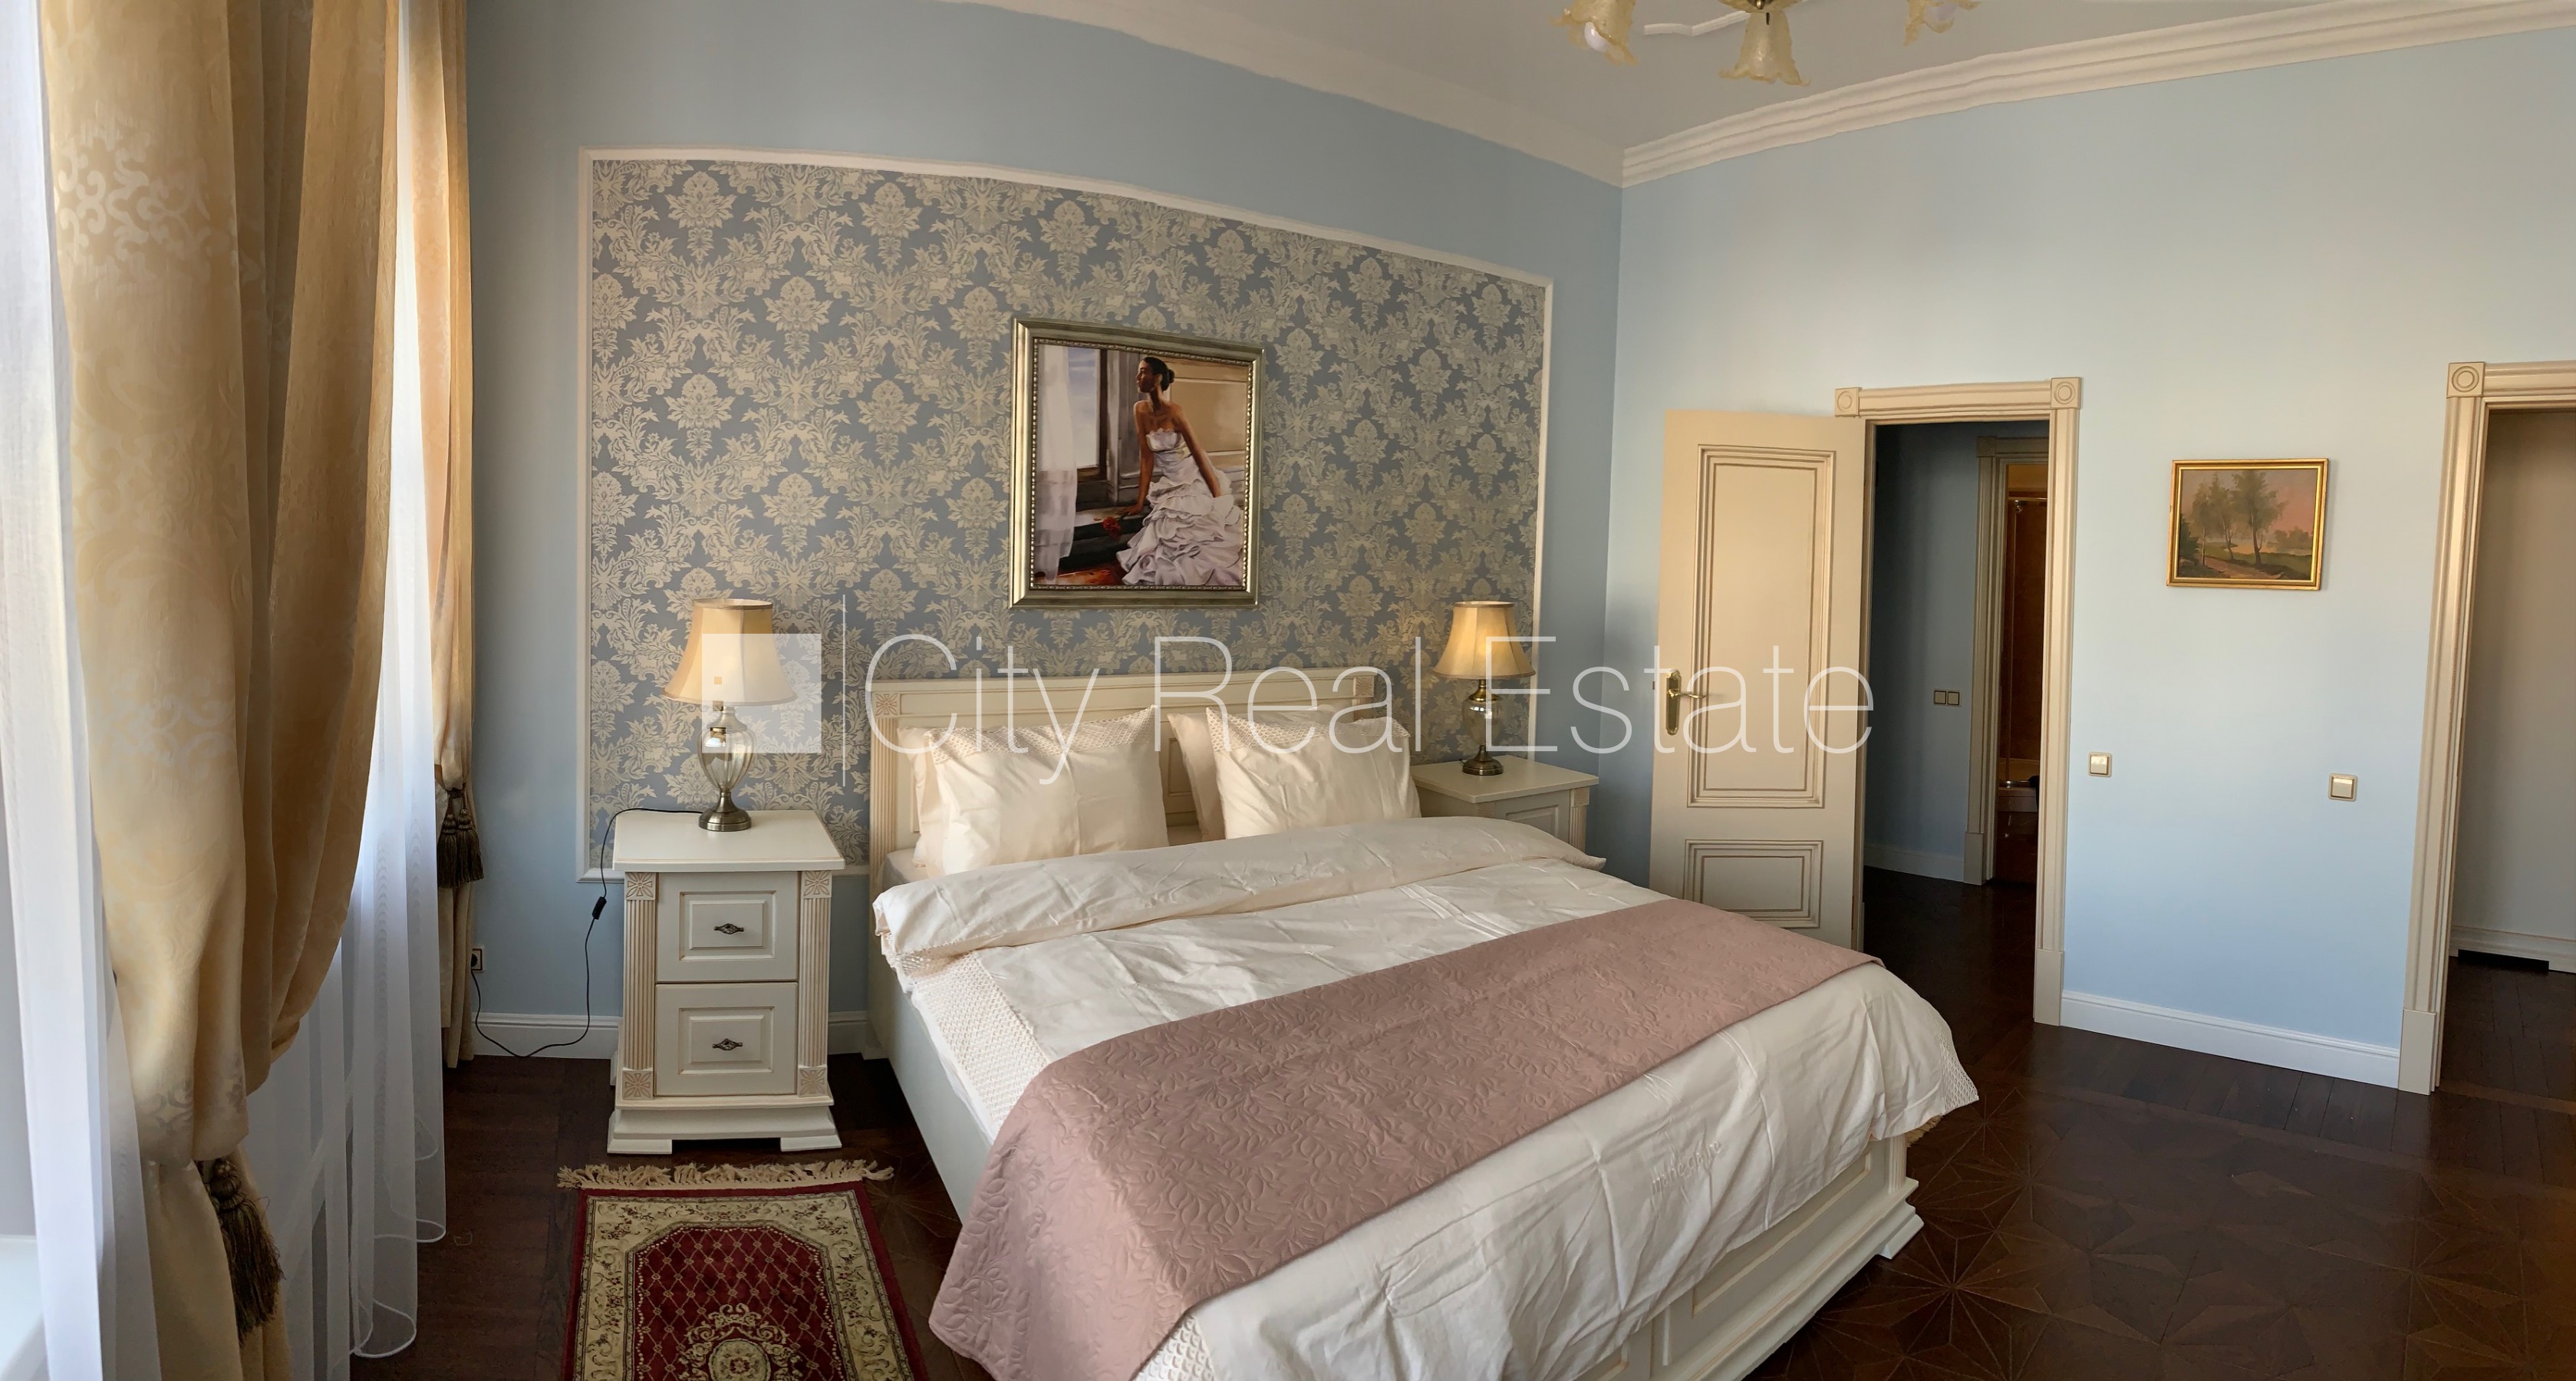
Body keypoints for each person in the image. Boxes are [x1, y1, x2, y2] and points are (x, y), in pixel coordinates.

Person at [1117, 355, 1244, 587]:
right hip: (1172, 480)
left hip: (1193, 476)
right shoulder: (1140, 410)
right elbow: (1146, 457)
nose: (1137, 377)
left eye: (1143, 372)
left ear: (1157, 378)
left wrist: (1217, 498)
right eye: (1138, 372)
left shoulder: (1175, 412)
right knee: (1165, 529)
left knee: (1201, 533)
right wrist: (1139, 501)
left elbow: (1198, 455)